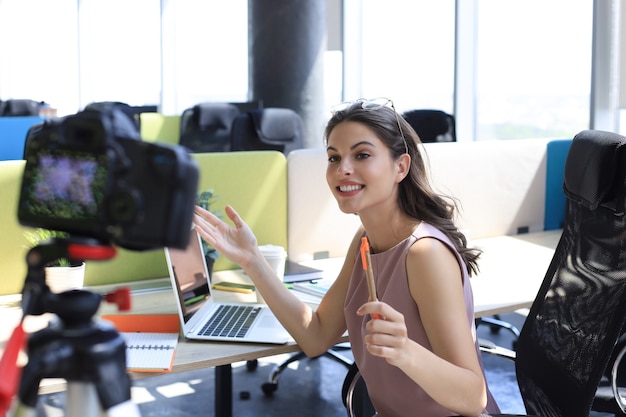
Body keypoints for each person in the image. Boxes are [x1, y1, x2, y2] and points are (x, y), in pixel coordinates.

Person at [193, 98, 500, 417]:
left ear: (401, 167)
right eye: (333, 157)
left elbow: (472, 398)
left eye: (362, 155)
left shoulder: (425, 253)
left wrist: (406, 351)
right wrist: (252, 261)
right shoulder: (365, 241)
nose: (343, 169)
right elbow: (316, 335)